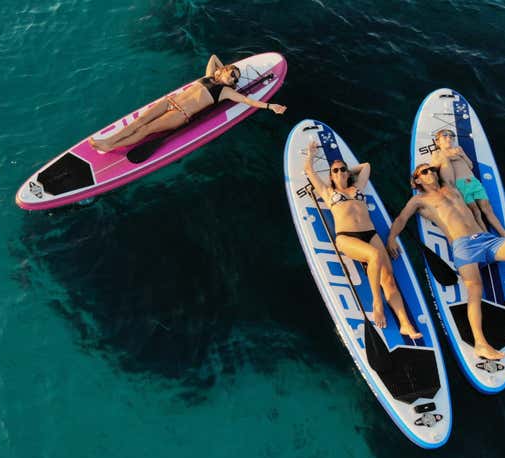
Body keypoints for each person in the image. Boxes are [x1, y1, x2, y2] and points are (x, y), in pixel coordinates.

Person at [387, 163, 505, 360]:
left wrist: (446, 148)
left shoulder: (450, 186)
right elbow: (401, 219)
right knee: (475, 288)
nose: (431, 172)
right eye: (425, 171)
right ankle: (480, 344)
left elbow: (445, 162)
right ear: (417, 180)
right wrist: (392, 237)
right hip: (464, 247)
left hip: (486, 240)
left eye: (432, 170)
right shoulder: (419, 200)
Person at [304, 140, 422, 339]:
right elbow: (308, 170)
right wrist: (311, 153)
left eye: (342, 169)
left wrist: (349, 170)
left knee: (389, 280)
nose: (340, 172)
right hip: (346, 237)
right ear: (330, 176)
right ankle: (377, 303)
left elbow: (366, 166)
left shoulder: (358, 186)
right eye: (335, 171)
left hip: (371, 234)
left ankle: (405, 324)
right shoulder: (328, 192)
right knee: (375, 255)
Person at [89, 54, 287, 152]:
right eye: (233, 74)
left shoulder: (226, 91)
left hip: (180, 114)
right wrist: (220, 72)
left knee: (145, 130)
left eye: (236, 79)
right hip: (169, 102)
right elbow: (214, 57)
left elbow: (246, 100)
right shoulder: (209, 75)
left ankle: (110, 146)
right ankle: (109, 140)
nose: (234, 79)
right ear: (224, 70)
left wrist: (270, 106)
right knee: (139, 121)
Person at [430, 129, 505, 239]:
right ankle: (488, 237)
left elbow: (470, 166)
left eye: (451, 136)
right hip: (460, 185)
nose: (449, 138)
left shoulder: (459, 149)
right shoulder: (438, 153)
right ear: (437, 142)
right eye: (445, 136)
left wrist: (462, 154)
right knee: (475, 212)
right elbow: (433, 166)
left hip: (474, 181)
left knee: (487, 209)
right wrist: (446, 157)